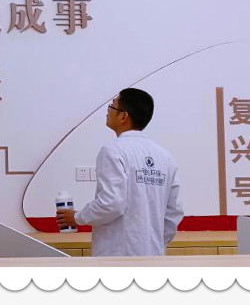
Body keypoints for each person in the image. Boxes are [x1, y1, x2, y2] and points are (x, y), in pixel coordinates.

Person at [56, 88, 184, 256]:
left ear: (123, 116)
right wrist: (157, 243)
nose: (107, 112)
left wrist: (77, 218)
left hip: (117, 256)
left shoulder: (112, 151)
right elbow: (174, 211)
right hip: (153, 255)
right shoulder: (165, 157)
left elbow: (111, 203)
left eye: (111, 106)